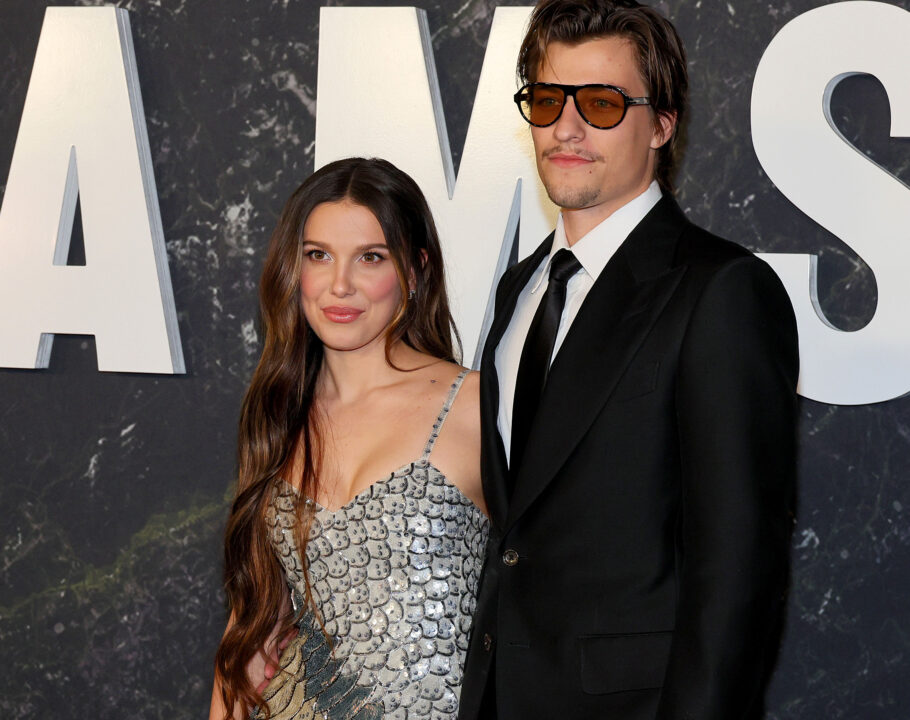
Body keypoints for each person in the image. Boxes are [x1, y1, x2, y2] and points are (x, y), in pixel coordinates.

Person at [458, 2, 799, 719]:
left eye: (604, 103)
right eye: (548, 100)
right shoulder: (520, 289)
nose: (567, 127)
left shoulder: (720, 291)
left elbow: (736, 573)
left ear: (662, 125)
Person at [209, 157, 489, 720]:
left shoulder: (479, 407)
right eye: (318, 256)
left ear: (415, 269)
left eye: (370, 258)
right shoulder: (278, 416)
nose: (339, 284)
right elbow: (253, 630)